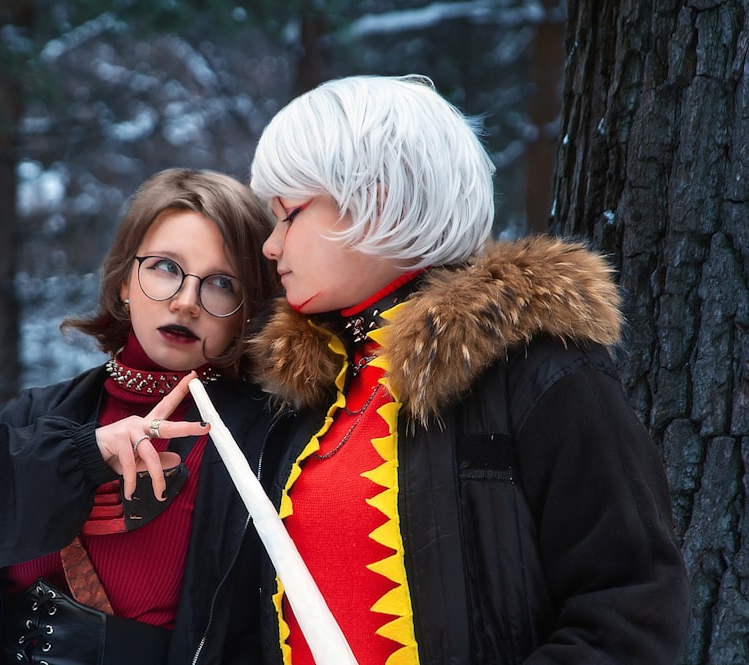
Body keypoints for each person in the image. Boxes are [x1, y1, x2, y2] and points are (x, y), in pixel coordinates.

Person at [246, 75, 691, 664]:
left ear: (375, 201)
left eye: (289, 215)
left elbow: (633, 608)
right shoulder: (300, 392)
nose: (271, 246)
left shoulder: (542, 369)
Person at [0, 168, 280, 665]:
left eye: (222, 282)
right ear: (124, 281)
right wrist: (78, 458)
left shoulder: (265, 446)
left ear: (247, 308)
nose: (186, 301)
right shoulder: (37, 418)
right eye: (165, 267)